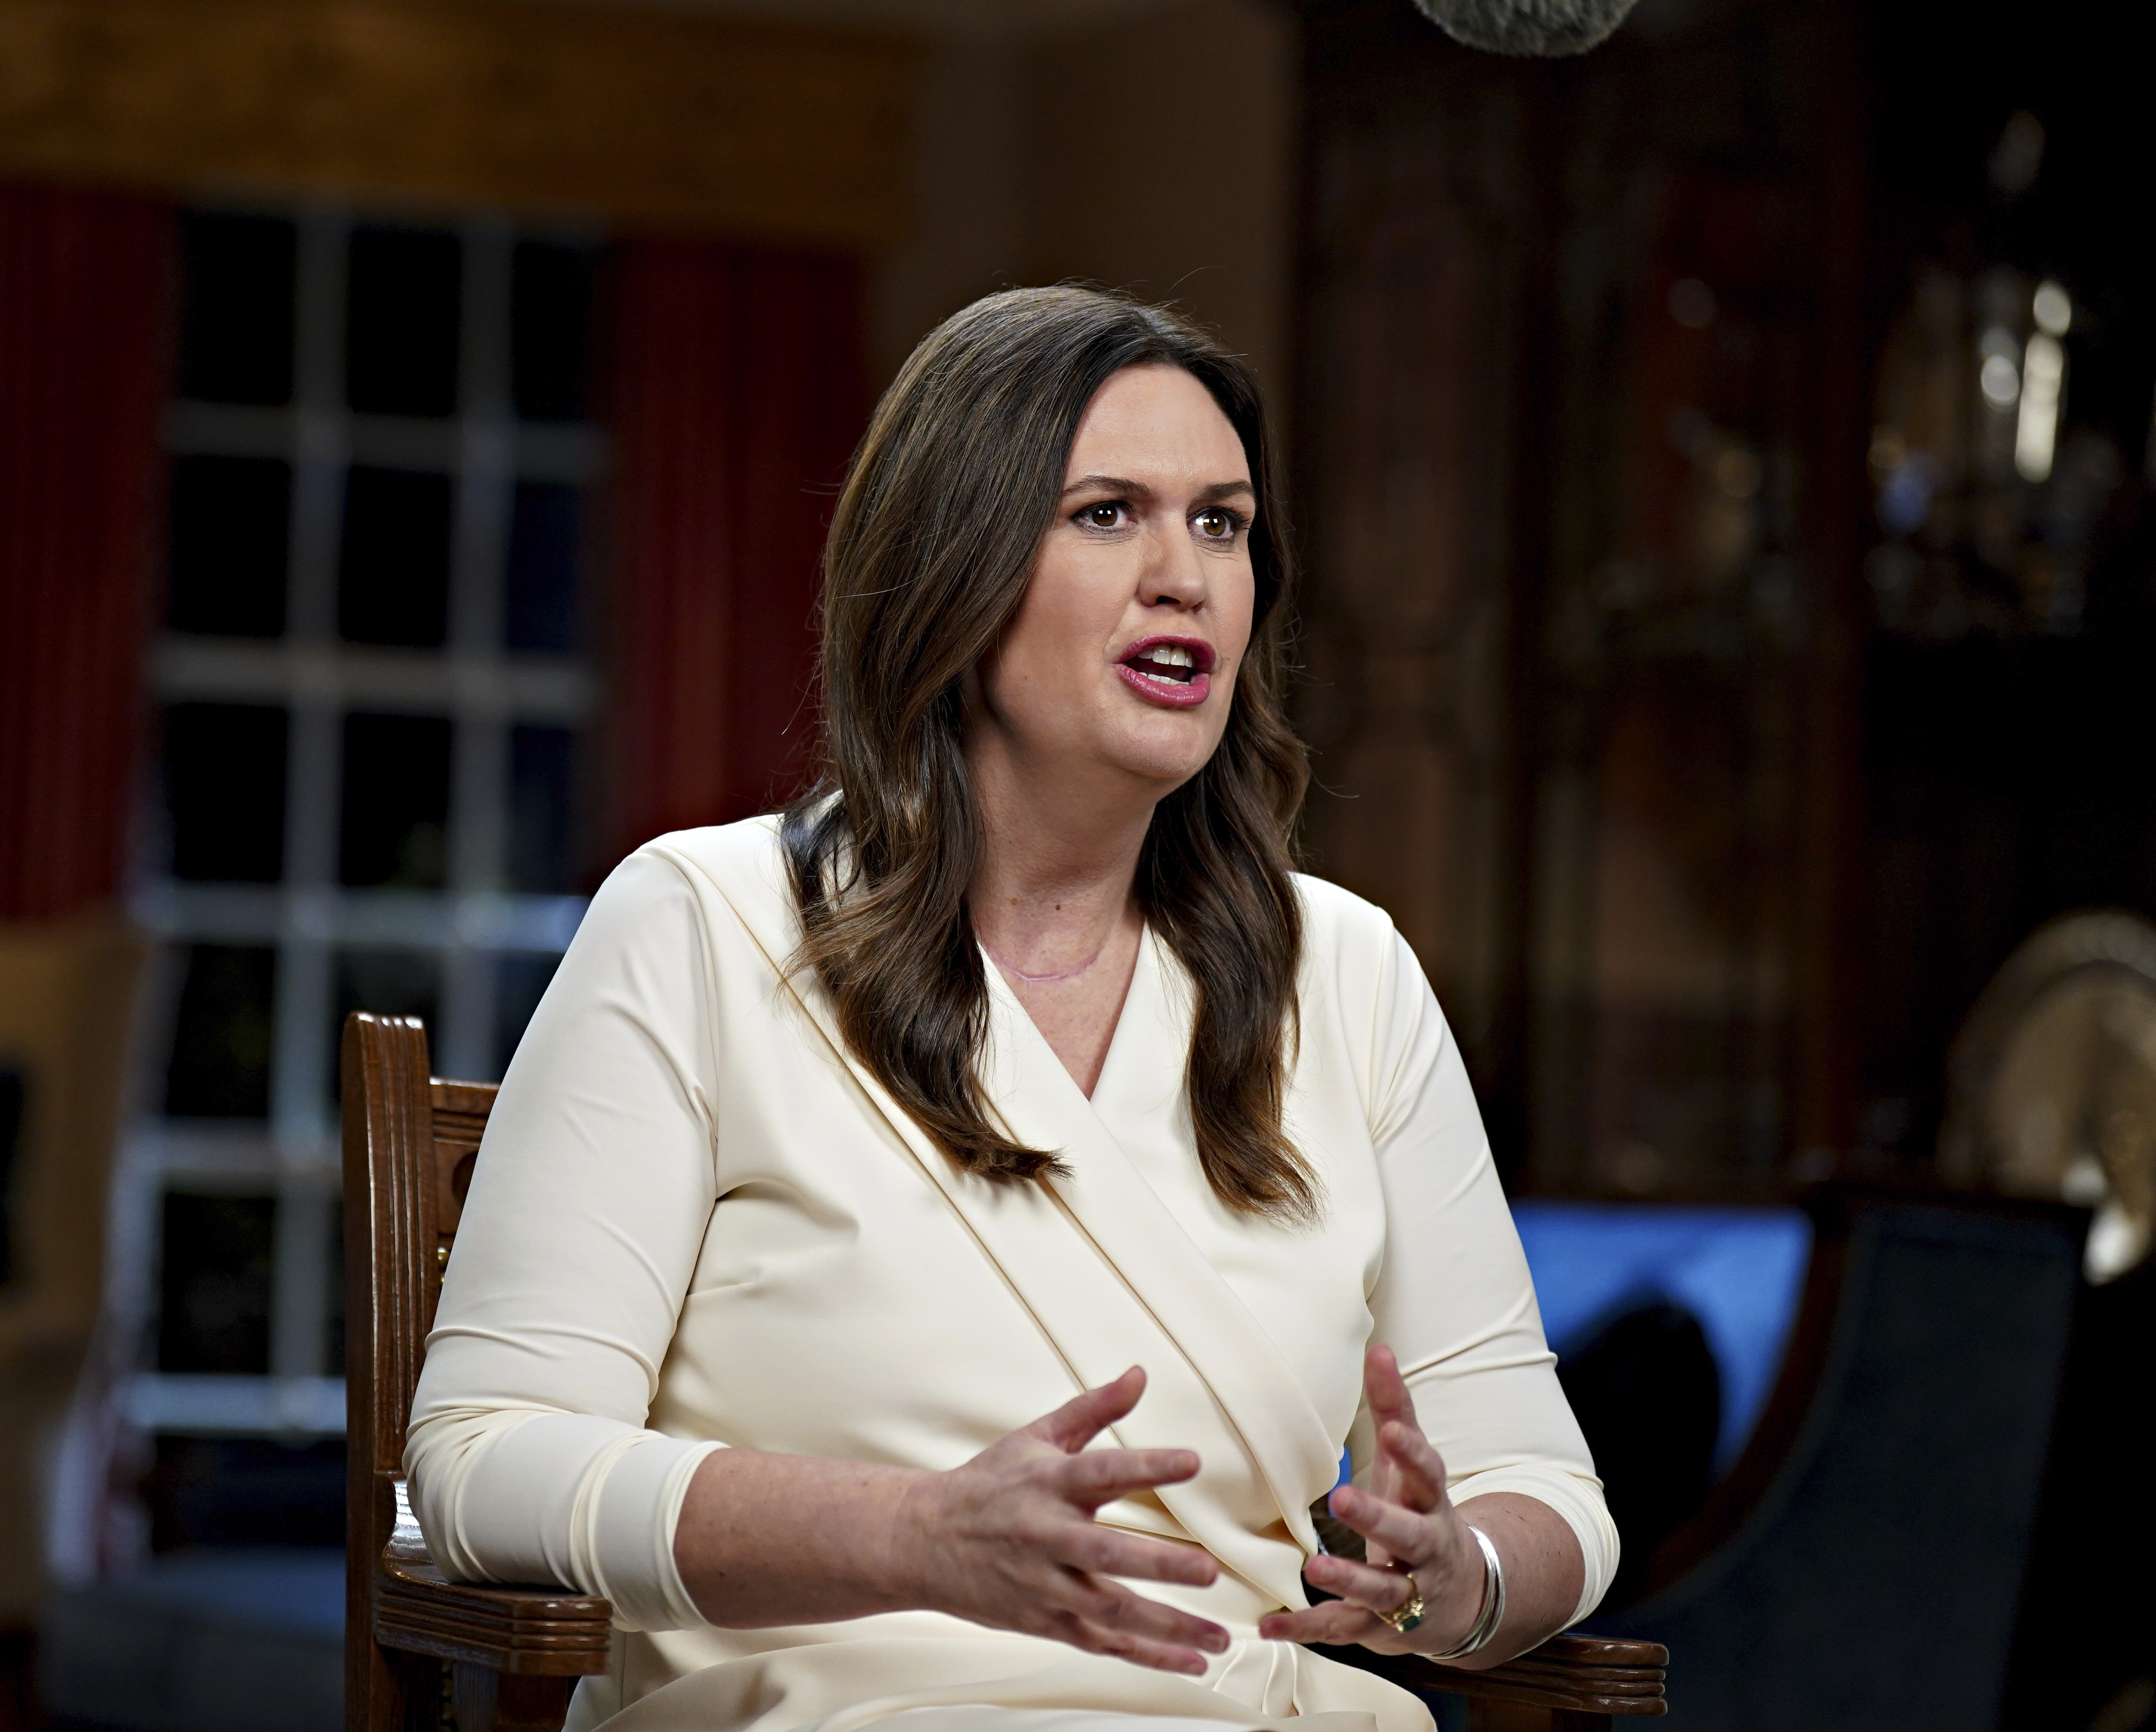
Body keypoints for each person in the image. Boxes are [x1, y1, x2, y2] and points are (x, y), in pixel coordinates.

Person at [408, 285, 1614, 1732]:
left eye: (1222, 525)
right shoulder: (703, 923)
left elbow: (1545, 1494)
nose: (1185, 576)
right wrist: (906, 1537)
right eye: (1109, 513)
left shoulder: (1346, 978)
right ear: (951, 567)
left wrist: (1456, 1575)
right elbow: (482, 1462)